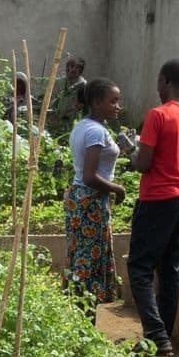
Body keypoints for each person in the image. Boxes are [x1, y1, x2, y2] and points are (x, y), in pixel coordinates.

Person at [126, 59, 179, 357]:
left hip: (157, 198)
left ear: (165, 80)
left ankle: (155, 335)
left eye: (158, 80)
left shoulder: (158, 115)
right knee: (170, 268)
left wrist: (130, 150)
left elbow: (143, 163)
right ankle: (161, 338)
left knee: (140, 267)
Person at [63, 79, 126, 313]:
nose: (118, 106)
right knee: (88, 260)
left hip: (80, 198)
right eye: (113, 101)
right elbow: (90, 176)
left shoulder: (82, 126)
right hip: (89, 200)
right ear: (97, 103)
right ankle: (85, 318)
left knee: (80, 255)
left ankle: (78, 318)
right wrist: (117, 188)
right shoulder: (96, 132)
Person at [50, 57, 87, 137]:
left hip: (73, 118)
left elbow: (81, 105)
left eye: (73, 68)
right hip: (60, 116)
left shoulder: (82, 85)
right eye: (68, 67)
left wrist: (68, 113)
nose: (69, 70)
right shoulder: (63, 81)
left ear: (79, 71)